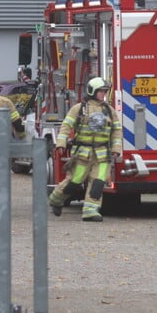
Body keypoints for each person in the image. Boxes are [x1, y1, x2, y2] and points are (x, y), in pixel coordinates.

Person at [48, 77, 118, 222]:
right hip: (83, 153)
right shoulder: (79, 109)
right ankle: (56, 199)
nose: (103, 94)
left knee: (98, 182)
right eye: (101, 91)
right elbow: (66, 126)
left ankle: (90, 211)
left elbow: (117, 131)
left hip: (102, 155)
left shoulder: (109, 111)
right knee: (75, 180)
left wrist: (117, 148)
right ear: (92, 91)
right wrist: (61, 143)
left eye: (105, 91)